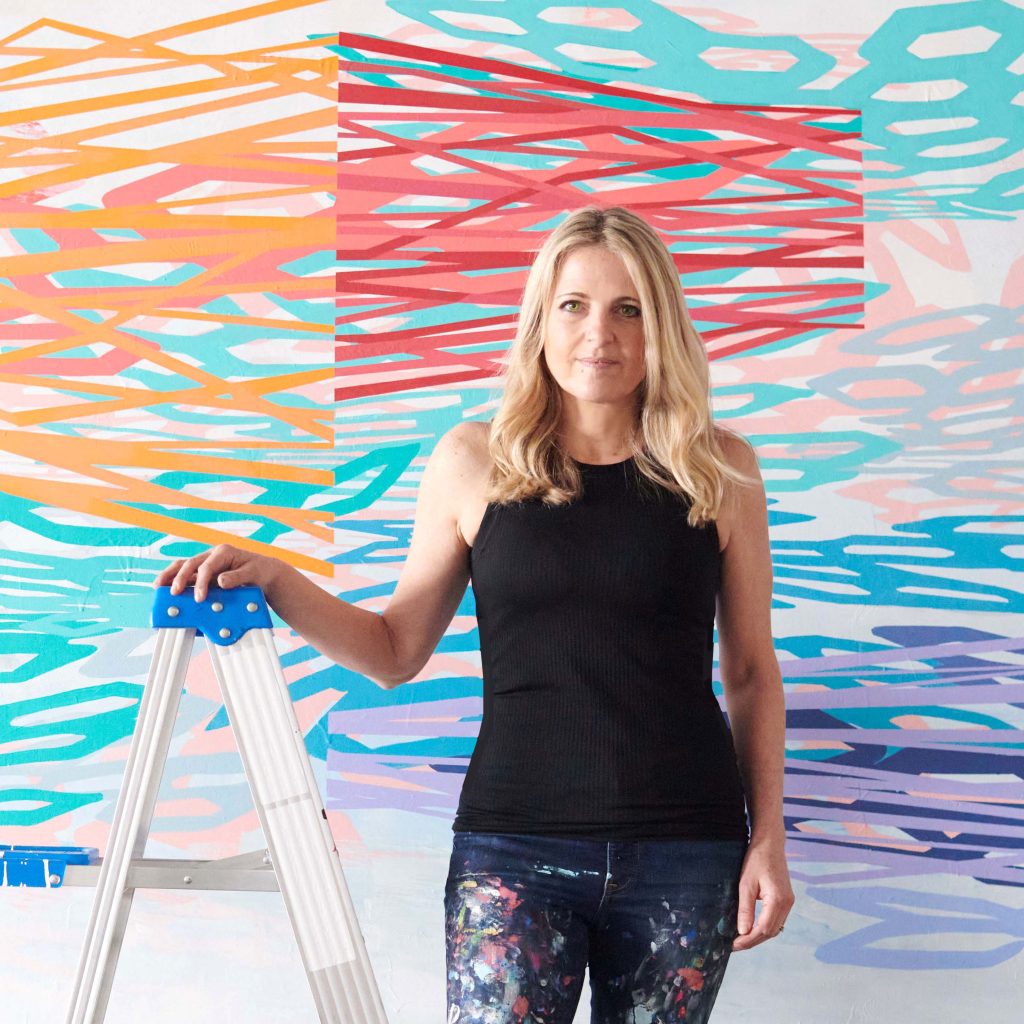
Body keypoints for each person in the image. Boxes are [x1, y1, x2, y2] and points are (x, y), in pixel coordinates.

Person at [154, 204, 794, 1023]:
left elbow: (748, 670)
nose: (599, 333)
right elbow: (394, 651)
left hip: (686, 852)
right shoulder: (475, 460)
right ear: (540, 319)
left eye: (627, 308)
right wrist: (281, 581)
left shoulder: (720, 470)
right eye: (575, 305)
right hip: (513, 855)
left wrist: (767, 837)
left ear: (660, 324)